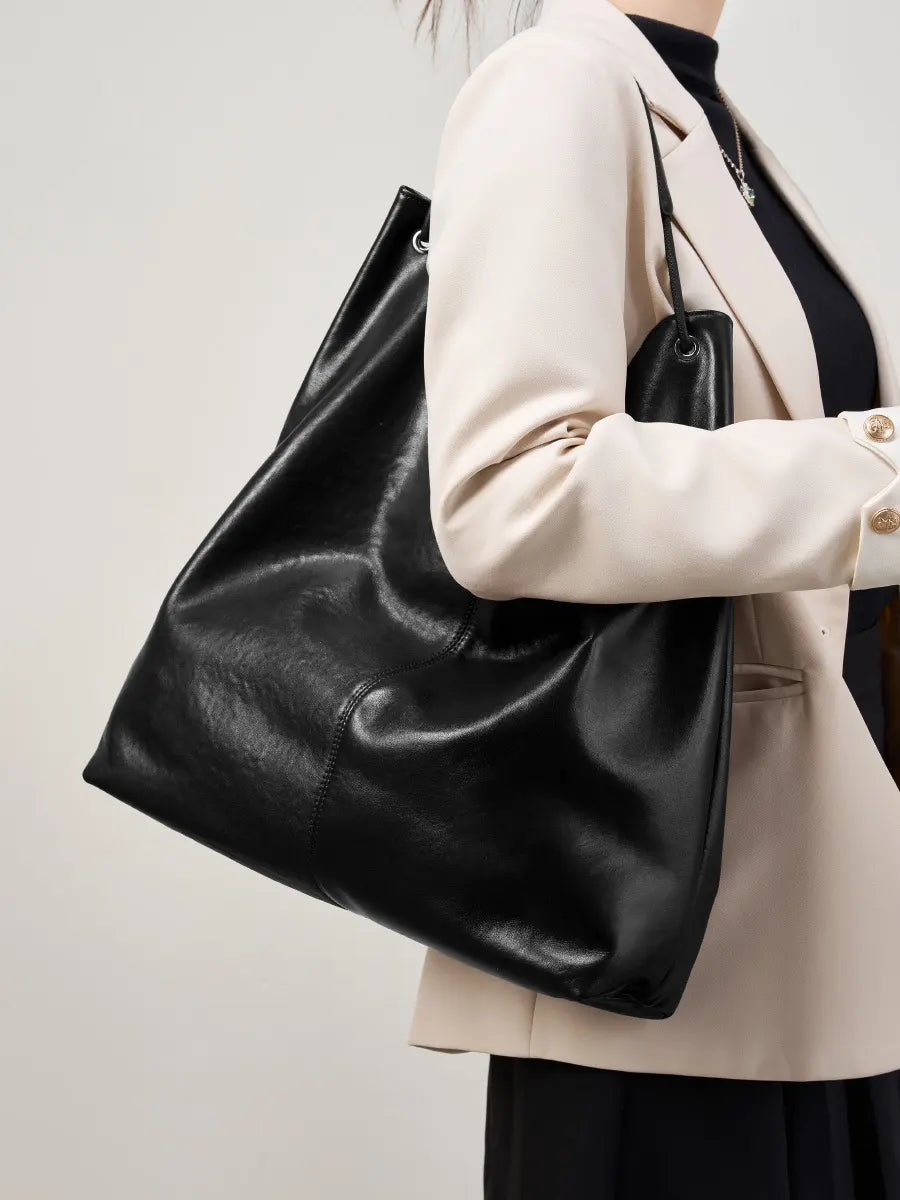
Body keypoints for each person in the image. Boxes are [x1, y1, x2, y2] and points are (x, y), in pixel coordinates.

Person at [404, 0, 900, 1194]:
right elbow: (510, 490)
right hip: (669, 942)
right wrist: (876, 473)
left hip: (805, 920)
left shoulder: (702, 110)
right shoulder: (560, 88)